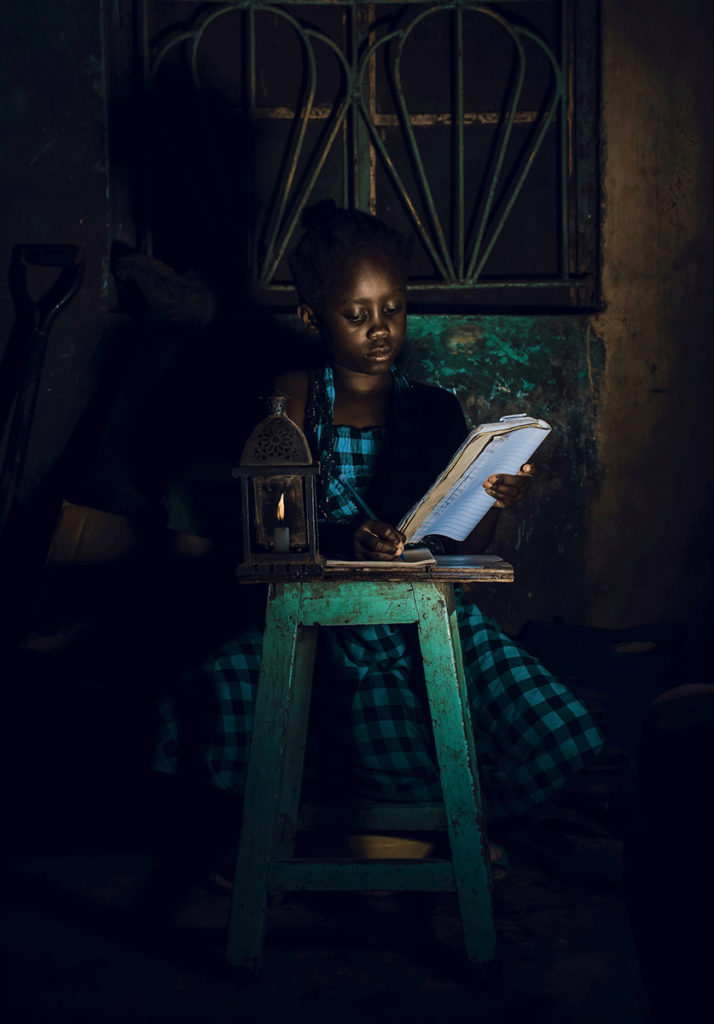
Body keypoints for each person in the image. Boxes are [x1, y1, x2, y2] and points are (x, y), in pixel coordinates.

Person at [153, 201, 604, 839]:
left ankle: (443, 834)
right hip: (321, 618)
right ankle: (298, 836)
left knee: (555, 726)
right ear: (313, 317)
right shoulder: (294, 399)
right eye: (356, 315)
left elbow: (460, 553)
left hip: (418, 621)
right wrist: (342, 535)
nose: (380, 329)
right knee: (212, 702)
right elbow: (270, 526)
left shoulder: (434, 409)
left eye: (392, 309)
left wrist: (493, 500)